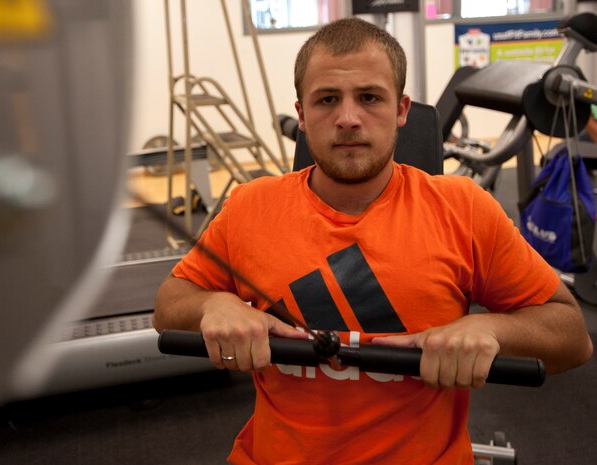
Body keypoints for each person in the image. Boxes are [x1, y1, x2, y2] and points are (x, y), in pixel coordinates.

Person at [153, 17, 593, 465]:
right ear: (302, 115)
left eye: (369, 98)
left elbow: (572, 337)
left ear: (401, 110)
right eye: (327, 100)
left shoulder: (463, 208)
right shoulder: (251, 206)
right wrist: (214, 305)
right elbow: (169, 305)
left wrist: (489, 329)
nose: (347, 118)